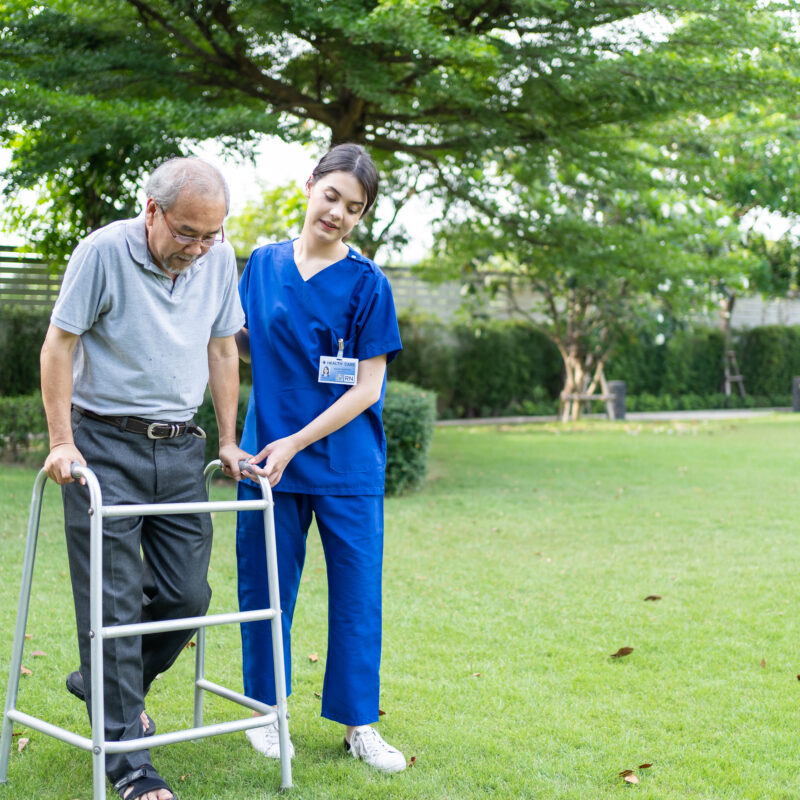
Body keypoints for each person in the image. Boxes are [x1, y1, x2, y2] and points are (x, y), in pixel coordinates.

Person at [41, 157, 257, 800]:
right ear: (153, 210)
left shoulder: (217, 258)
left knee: (188, 596)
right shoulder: (102, 253)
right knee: (111, 599)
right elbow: (60, 346)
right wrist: (61, 442)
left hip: (181, 450)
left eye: (210, 235)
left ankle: (102, 680)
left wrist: (225, 440)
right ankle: (130, 765)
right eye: (187, 232)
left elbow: (223, 348)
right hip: (103, 447)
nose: (197, 249)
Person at [235, 143, 406, 773]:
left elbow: (367, 387)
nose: (337, 213)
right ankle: (264, 711)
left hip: (344, 465)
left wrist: (296, 441)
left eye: (354, 208)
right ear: (309, 185)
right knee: (264, 588)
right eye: (332, 195)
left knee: (357, 595)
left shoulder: (368, 285)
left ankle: (361, 724)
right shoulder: (260, 265)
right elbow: (247, 348)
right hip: (265, 461)